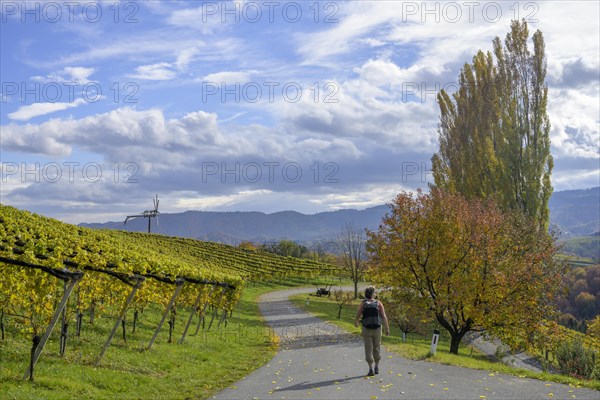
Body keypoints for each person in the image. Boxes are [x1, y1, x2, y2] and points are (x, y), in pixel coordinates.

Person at [354, 286, 390, 376]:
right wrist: (387, 328)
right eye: (375, 292)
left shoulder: (363, 303)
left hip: (366, 329)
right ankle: (376, 367)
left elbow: (358, 314)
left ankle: (370, 369)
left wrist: (356, 322)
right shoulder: (378, 303)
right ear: (372, 293)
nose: (376, 294)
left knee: (368, 348)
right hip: (377, 329)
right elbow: (384, 316)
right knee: (377, 347)